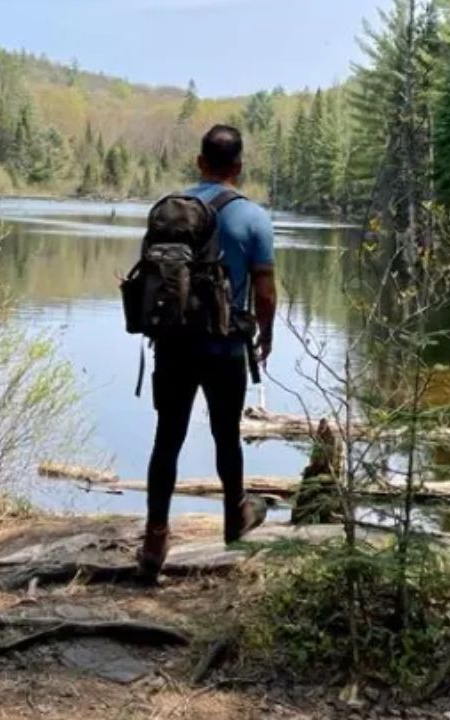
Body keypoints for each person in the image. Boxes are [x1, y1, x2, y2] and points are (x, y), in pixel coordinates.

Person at [138, 125, 278, 579]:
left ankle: (155, 540)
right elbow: (266, 291)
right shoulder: (254, 218)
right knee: (226, 437)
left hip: (174, 343)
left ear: (200, 162)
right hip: (224, 346)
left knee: (167, 438)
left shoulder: (172, 211)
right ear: (238, 167)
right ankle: (234, 522)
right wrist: (266, 334)